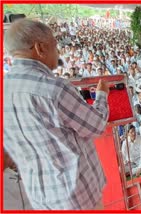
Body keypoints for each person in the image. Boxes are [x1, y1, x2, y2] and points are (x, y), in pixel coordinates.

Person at [4, 19, 110, 210]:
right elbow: (97, 125)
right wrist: (102, 95)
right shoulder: (53, 88)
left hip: (39, 197)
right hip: (76, 197)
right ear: (40, 48)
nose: (58, 51)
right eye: (55, 45)